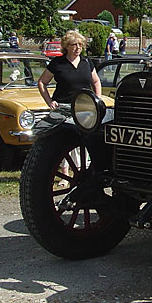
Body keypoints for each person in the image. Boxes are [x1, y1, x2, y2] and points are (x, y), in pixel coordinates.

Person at [37, 30, 102, 187]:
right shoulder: (58, 64)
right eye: (74, 45)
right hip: (63, 107)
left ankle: (84, 172)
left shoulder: (87, 63)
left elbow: (96, 81)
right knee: (65, 139)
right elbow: (41, 82)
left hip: (84, 108)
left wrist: (97, 99)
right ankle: (65, 174)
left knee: (86, 138)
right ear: (66, 46)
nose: (78, 48)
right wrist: (49, 102)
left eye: (80, 44)